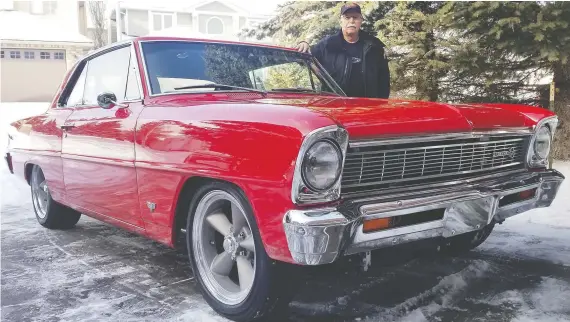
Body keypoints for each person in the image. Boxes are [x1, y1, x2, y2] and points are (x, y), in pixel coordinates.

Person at [295, 2, 390, 99]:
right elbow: (303, 59)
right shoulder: (327, 45)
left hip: (367, 108)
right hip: (335, 108)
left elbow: (384, 82)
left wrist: (381, 105)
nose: (351, 21)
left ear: (361, 20)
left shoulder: (374, 46)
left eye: (355, 17)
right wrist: (303, 44)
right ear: (341, 20)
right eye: (347, 17)